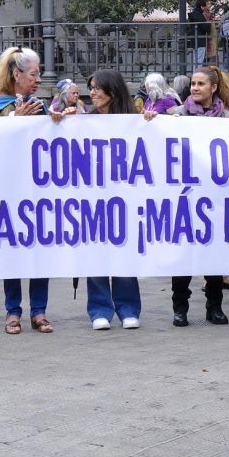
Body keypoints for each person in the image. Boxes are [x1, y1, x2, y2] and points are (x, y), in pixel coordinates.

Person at [0, 48, 53, 331]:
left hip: (38, 188)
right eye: (34, 74)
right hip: (8, 188)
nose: (38, 79)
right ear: (16, 74)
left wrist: (60, 120)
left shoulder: (38, 105)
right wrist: (14, 120)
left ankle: (39, 311)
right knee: (12, 249)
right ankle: (13, 311)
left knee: (40, 249)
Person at [163, 65, 229, 326]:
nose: (194, 88)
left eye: (201, 84)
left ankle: (214, 307)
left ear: (213, 88)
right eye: (193, 84)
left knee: (213, 254)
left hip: (214, 196)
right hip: (184, 195)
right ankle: (179, 308)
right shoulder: (178, 115)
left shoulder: (228, 117)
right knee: (183, 254)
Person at [84, 69, 143, 330]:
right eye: (91, 88)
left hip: (125, 197)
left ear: (113, 90)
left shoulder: (134, 120)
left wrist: (151, 121)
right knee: (95, 253)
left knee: (124, 253)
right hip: (93, 198)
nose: (93, 93)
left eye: (98, 88)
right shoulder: (84, 121)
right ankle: (99, 309)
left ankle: (128, 308)